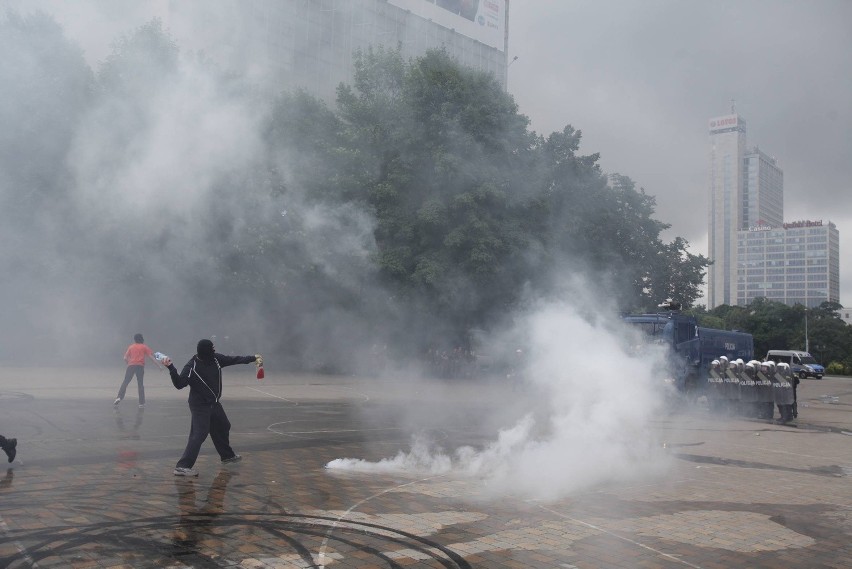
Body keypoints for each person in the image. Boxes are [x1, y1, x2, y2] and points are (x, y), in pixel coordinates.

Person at [163, 339, 260, 477]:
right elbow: (179, 384)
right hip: (199, 405)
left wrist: (253, 358)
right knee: (199, 434)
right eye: (212, 348)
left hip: (213, 403)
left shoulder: (216, 359)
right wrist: (171, 368)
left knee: (224, 425)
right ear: (206, 350)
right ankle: (182, 467)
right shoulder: (192, 366)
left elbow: (234, 359)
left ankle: (227, 456)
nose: (214, 350)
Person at [115, 333, 161, 408]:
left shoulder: (131, 347)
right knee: (140, 384)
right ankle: (141, 403)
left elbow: (125, 358)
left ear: (134, 339)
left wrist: (128, 363)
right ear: (142, 339)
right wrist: (158, 366)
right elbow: (151, 357)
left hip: (131, 366)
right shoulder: (144, 347)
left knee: (125, 382)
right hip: (140, 366)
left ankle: (119, 397)